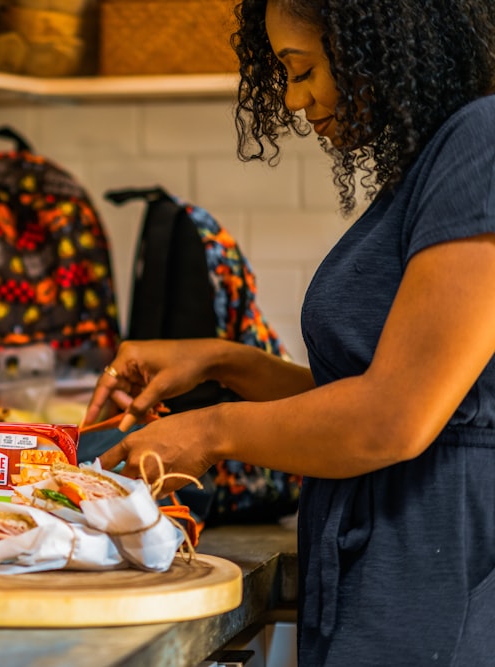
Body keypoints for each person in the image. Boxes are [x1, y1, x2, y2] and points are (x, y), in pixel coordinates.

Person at [82, 0, 495, 664]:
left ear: (376, 43)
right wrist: (226, 362)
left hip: (437, 585)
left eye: (302, 70)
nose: (296, 101)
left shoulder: (484, 142)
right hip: (393, 569)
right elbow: (375, 390)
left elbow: (393, 417)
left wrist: (211, 431)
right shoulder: (437, 158)